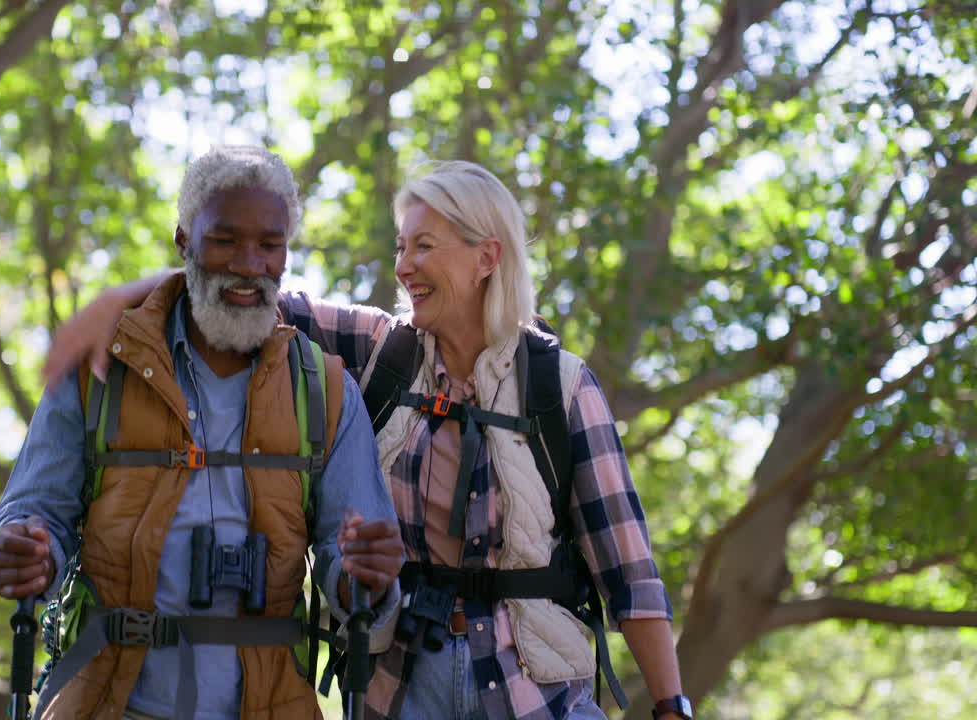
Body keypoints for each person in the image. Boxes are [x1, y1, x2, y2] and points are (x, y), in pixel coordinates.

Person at [42, 161, 691, 720]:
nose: (404, 267)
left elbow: (628, 573)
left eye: (424, 247)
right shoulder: (386, 352)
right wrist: (123, 297)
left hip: (536, 691)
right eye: (401, 248)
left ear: (487, 255)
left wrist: (670, 705)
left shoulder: (562, 386)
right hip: (401, 687)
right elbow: (250, 294)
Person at [0, 145, 405, 720]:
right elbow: (37, 513)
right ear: (184, 243)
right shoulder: (102, 372)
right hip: (105, 700)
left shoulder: (325, 393)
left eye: (269, 245)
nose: (249, 264)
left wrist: (367, 578)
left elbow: (349, 570)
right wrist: (28, 549)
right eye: (225, 240)